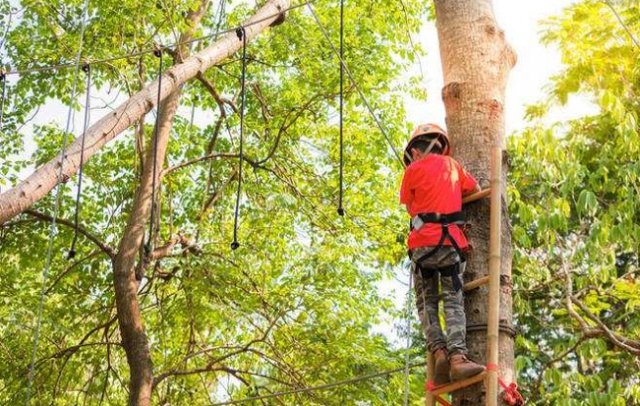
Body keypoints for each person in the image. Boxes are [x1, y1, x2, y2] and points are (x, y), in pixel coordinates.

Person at [399, 123, 485, 385]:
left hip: (422, 247)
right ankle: (458, 358)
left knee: (427, 303)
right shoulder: (452, 166)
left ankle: (438, 351)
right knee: (452, 299)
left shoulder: (411, 171)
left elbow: (410, 208)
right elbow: (474, 188)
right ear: (441, 146)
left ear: (414, 152)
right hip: (449, 244)